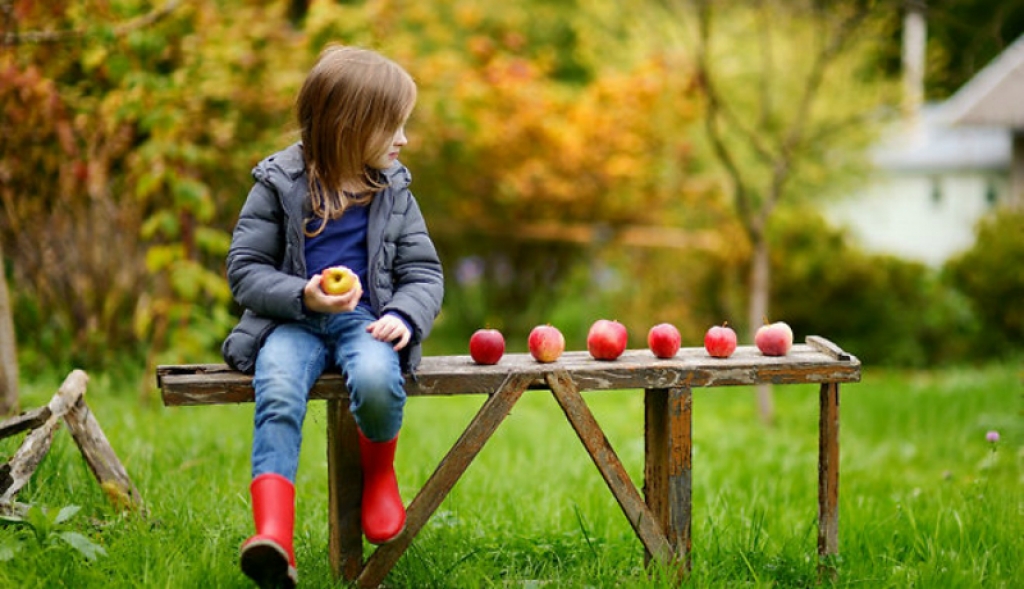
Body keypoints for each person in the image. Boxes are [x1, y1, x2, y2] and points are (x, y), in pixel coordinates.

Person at [220, 45, 444, 588]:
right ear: (351, 126)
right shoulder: (278, 183)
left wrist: (405, 318)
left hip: (363, 320)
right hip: (291, 322)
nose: (404, 140)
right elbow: (245, 270)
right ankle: (273, 535)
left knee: (374, 376)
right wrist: (304, 294)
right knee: (277, 394)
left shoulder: (393, 191)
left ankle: (380, 476)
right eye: (394, 126)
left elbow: (425, 273)